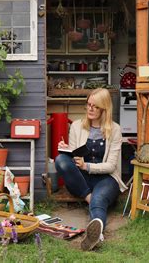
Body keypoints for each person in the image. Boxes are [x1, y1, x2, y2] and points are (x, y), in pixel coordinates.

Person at [55, 88, 127, 251]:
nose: (90, 109)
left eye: (95, 106)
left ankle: (96, 234)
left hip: (107, 178)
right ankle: (89, 197)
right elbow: (74, 157)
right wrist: (67, 150)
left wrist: (87, 166)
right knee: (61, 160)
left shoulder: (115, 130)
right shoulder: (76, 126)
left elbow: (111, 166)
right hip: (82, 178)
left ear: (104, 109)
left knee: (99, 198)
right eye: (88, 105)